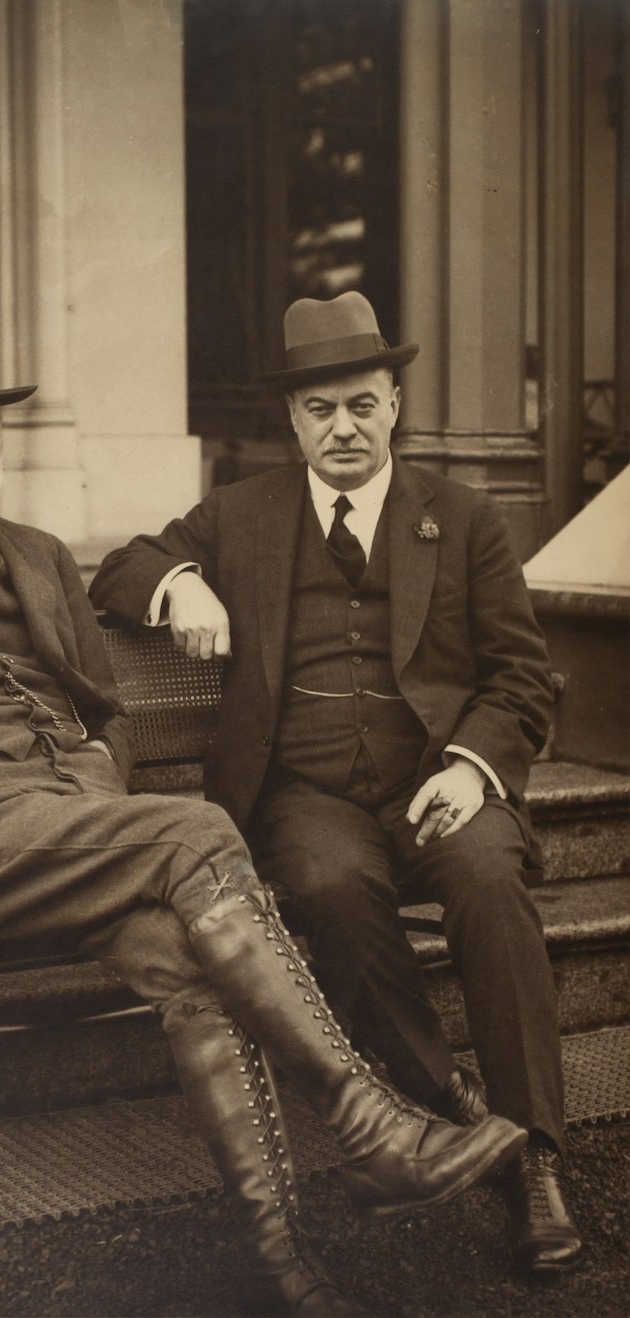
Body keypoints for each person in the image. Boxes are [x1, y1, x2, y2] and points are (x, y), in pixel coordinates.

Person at [0, 309, 525, 1318]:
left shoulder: (37, 549)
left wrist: (93, 794)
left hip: (68, 825)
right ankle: (369, 1124)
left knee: (177, 947)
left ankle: (282, 1264)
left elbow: (105, 713)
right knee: (196, 828)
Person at [90, 291, 583, 1277]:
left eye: (360, 404)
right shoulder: (243, 514)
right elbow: (118, 567)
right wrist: (179, 584)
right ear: (291, 421)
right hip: (306, 792)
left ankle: (533, 1155)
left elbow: (523, 675)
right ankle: (449, 1106)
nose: (342, 427)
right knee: (323, 887)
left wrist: (473, 766)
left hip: (436, 780)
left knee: (490, 882)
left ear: (393, 403)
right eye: (320, 411)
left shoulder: (464, 517)